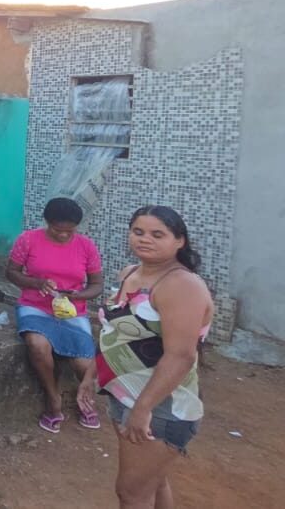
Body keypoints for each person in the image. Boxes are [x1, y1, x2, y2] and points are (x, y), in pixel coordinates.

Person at [93, 206, 212, 509]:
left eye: (158, 234)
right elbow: (114, 333)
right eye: (138, 232)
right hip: (126, 394)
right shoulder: (130, 274)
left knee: (131, 493)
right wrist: (89, 377)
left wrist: (143, 408)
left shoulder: (181, 285)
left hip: (161, 405)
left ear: (179, 241)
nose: (145, 239)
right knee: (153, 481)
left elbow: (180, 356)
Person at [5, 197, 104, 434]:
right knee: (37, 344)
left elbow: (97, 284)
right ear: (47, 223)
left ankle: (87, 399)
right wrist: (36, 282)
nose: (63, 235)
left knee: (84, 364)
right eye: (57, 230)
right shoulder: (28, 239)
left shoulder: (86, 246)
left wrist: (78, 295)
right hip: (34, 306)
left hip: (72, 310)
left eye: (69, 231)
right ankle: (53, 398)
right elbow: (11, 273)